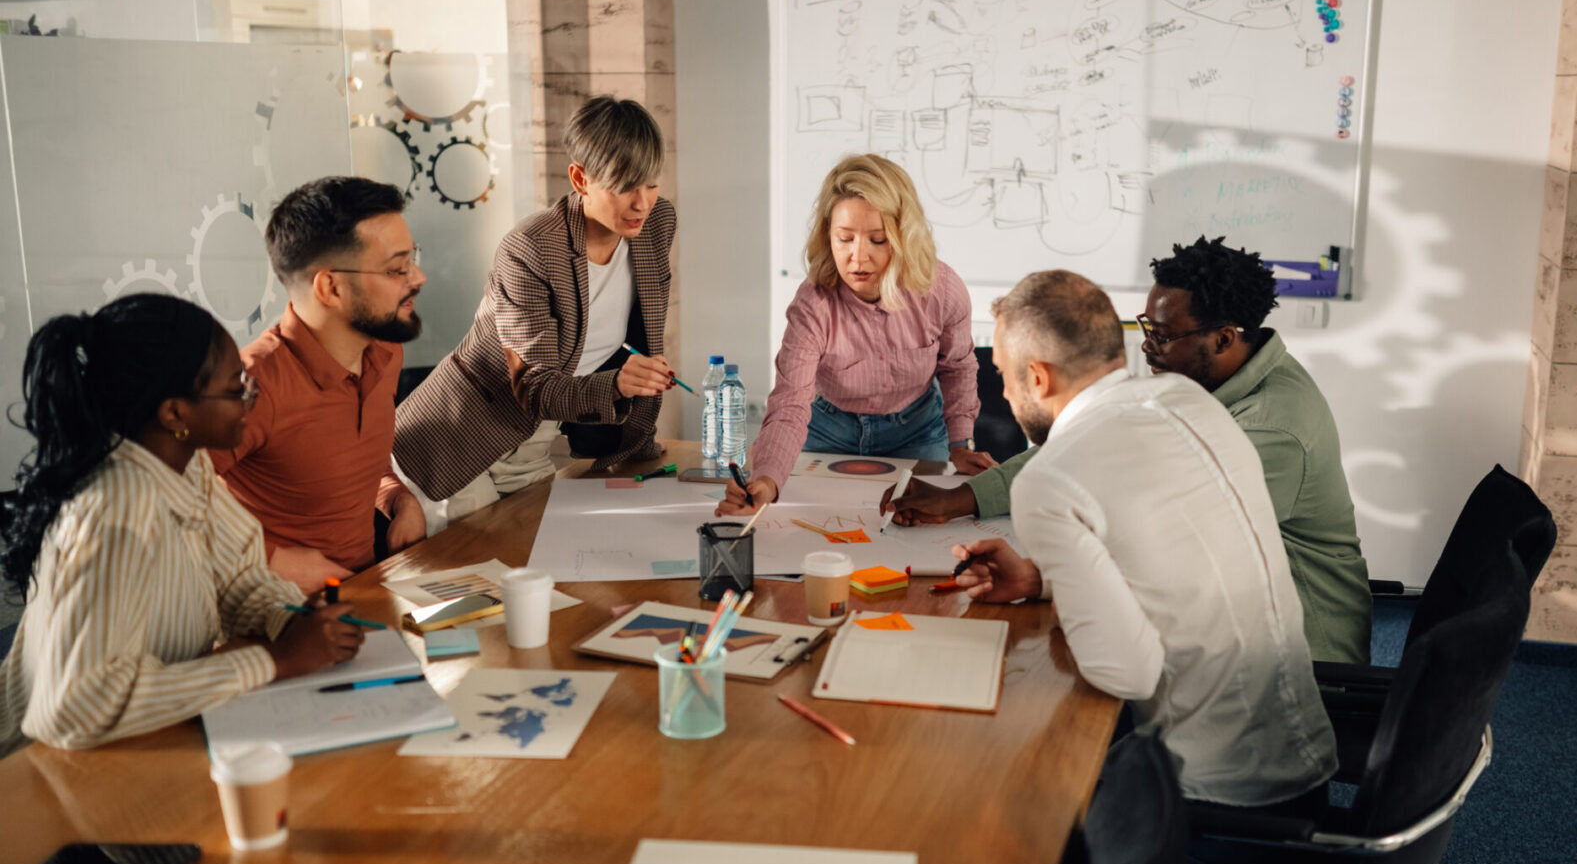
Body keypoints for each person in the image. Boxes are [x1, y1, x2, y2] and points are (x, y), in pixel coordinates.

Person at [888, 236, 1373, 664]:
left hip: (1296, 655)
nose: (1147, 347)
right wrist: (965, 498)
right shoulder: (1195, 382)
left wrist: (1038, 577)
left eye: (1163, 335)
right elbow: (1091, 437)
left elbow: (1172, 558)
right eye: (1146, 327)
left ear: (1224, 339)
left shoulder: (1271, 431)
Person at [954, 269, 1336, 805]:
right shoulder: (1190, 401)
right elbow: (1170, 559)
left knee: (993, 779)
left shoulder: (1047, 480)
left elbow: (1127, 673)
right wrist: (1044, 579)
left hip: (1210, 800)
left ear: (1037, 378)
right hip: (1304, 762)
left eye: (1003, 376)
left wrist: (1071, 599)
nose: (1006, 394)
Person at [0, 295, 365, 759]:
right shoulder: (113, 511)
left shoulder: (184, 465)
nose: (250, 399)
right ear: (174, 413)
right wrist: (277, 659)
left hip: (135, 745)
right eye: (235, 389)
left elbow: (239, 580)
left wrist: (293, 620)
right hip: (36, 767)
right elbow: (74, 706)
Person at [393, 95, 680, 515]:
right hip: (460, 437)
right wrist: (618, 385)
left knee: (538, 543)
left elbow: (639, 334)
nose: (642, 203)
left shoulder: (656, 225)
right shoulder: (531, 248)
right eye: (624, 186)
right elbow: (535, 385)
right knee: (479, 552)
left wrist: (638, 436)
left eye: (651, 183)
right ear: (580, 179)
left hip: (536, 439)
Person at [715, 154, 991, 514]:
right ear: (827, 235)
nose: (858, 257)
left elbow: (957, 367)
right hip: (828, 429)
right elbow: (790, 403)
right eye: (844, 239)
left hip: (917, 429)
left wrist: (961, 443)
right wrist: (767, 480)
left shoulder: (941, 289)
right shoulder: (813, 304)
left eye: (877, 240)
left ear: (904, 237)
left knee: (917, 526)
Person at [209, 176, 427, 595]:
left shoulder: (384, 351)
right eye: (397, 268)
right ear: (330, 287)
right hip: (278, 614)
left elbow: (354, 462)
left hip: (365, 594)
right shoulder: (254, 383)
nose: (418, 278)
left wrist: (397, 498)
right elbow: (161, 501)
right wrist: (270, 559)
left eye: (412, 259)